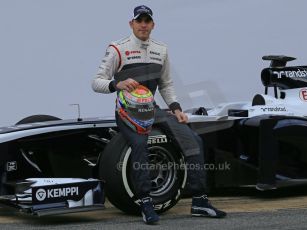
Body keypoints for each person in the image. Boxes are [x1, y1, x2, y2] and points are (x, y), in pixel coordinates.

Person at [92, 5, 226, 224]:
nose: (143, 25)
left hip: (153, 109)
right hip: (128, 111)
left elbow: (166, 84)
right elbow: (96, 82)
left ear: (153, 24)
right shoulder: (118, 48)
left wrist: (176, 109)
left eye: (147, 21)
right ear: (131, 24)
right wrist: (117, 83)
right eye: (139, 20)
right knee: (140, 146)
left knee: (193, 141)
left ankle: (200, 202)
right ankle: (146, 203)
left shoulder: (161, 49)